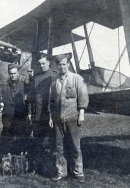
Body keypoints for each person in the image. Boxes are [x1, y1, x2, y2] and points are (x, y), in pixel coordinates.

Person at [49, 53, 89, 183]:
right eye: (59, 65)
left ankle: (78, 173)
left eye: (64, 64)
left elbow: (83, 97)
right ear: (57, 66)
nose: (62, 67)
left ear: (68, 65)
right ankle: (62, 172)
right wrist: (50, 117)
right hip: (58, 119)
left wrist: (81, 114)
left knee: (75, 146)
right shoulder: (54, 82)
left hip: (72, 117)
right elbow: (51, 101)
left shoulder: (77, 78)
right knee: (59, 147)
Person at [28, 53, 58, 174]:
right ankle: (38, 167)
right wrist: (30, 113)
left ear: (49, 63)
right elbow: (31, 97)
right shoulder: (36, 77)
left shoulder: (55, 76)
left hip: (50, 116)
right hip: (37, 116)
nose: (42, 66)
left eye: (44, 63)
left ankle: (50, 168)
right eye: (40, 64)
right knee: (37, 142)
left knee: (51, 142)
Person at [0, 64, 31, 154]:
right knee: (7, 137)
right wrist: (0, 105)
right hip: (8, 116)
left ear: (18, 73)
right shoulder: (4, 85)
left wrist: (31, 76)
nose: (12, 75)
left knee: (21, 136)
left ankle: (20, 155)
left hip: (20, 115)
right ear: (8, 74)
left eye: (14, 73)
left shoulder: (23, 84)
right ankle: (8, 156)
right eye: (11, 73)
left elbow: (31, 91)